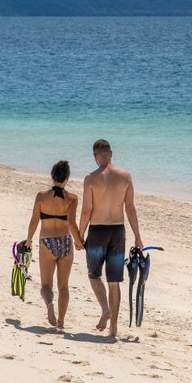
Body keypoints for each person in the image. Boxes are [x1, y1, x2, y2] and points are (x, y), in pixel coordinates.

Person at [78, 139, 143, 339]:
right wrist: (138, 237)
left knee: (94, 275)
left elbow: (86, 210)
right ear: (111, 153)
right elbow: (130, 208)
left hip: (97, 232)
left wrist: (80, 235)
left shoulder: (90, 178)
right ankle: (113, 329)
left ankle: (105, 309)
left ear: (95, 157)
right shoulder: (125, 177)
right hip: (117, 232)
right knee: (114, 281)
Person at [25, 160, 81, 331]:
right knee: (63, 286)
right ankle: (61, 322)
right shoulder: (72, 198)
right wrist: (79, 241)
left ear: (52, 176)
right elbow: (72, 223)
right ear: (67, 178)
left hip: (47, 242)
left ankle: (49, 304)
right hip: (65, 242)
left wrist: (28, 240)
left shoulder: (41, 196)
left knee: (46, 285)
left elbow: (34, 221)